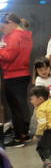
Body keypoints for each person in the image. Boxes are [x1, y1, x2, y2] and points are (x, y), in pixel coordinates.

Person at [0, 13, 33, 148]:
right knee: (22, 105)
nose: (3, 31)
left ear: (10, 23)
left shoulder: (14, 36)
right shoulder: (25, 35)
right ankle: (25, 133)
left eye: (3, 27)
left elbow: (8, 56)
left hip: (13, 75)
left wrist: (0, 48)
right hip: (23, 74)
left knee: (15, 108)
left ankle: (19, 138)